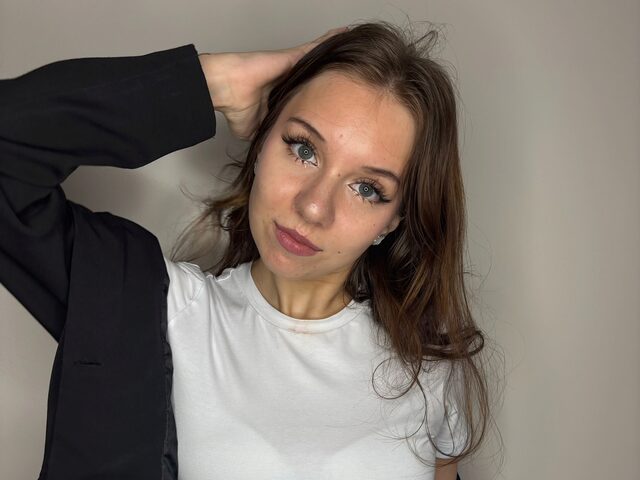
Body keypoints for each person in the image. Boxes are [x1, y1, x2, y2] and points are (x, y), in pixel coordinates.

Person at [0, 21, 488, 480]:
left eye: (367, 188)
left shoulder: (430, 367)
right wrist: (215, 81)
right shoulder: (156, 312)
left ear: (394, 221)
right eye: (303, 149)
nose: (314, 206)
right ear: (261, 143)